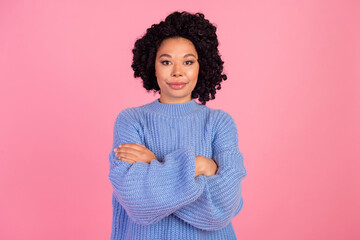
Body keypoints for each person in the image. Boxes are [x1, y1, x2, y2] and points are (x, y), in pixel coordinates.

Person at [108, 11, 247, 240]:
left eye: (188, 62)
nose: (177, 71)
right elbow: (137, 202)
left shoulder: (220, 123)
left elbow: (223, 209)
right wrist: (201, 166)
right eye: (166, 62)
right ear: (153, 65)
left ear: (201, 66)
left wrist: (153, 163)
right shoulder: (131, 120)